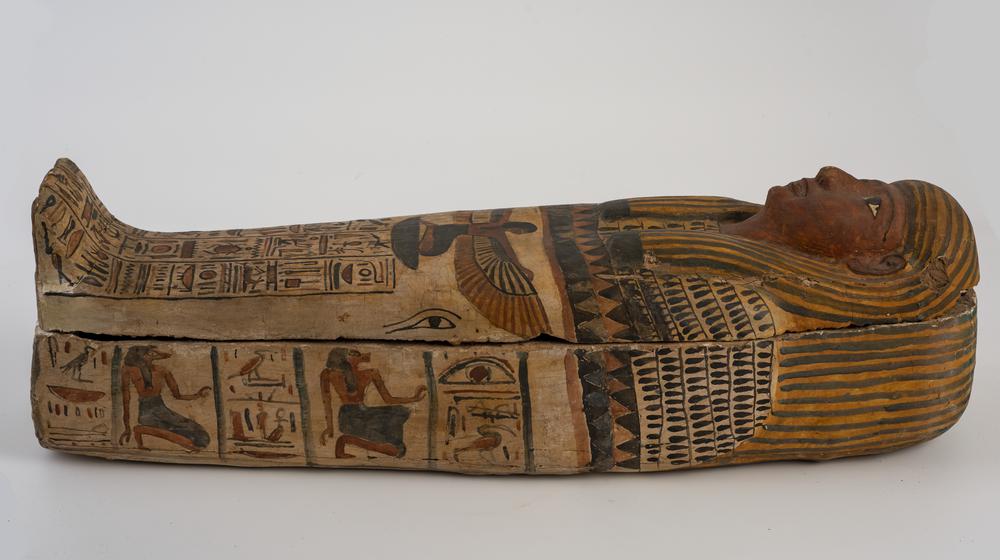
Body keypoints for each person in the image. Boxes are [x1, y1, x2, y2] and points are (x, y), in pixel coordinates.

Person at [318, 348, 427, 458]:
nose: (365, 357)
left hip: (355, 416)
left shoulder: (370, 373)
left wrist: (414, 398)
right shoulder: (329, 374)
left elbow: (388, 399)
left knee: (399, 413)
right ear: (348, 360)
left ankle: (345, 440)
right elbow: (326, 401)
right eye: (356, 355)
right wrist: (329, 428)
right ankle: (344, 441)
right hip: (351, 419)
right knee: (398, 448)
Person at [118, 346, 211, 451]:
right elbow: (126, 401)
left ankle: (139, 430)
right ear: (139, 356)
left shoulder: (162, 370)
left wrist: (197, 395)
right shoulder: (129, 370)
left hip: (162, 409)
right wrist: (127, 427)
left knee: (200, 435)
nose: (152, 355)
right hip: (147, 413)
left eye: (153, 354)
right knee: (173, 433)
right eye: (148, 353)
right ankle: (139, 431)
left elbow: (177, 395)